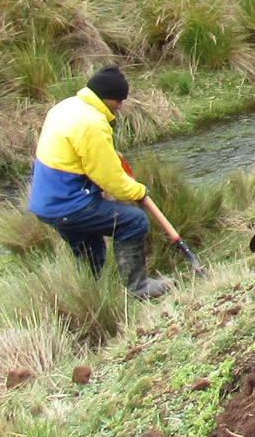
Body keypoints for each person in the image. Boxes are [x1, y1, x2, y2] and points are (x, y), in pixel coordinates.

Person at [27, 66, 171, 299]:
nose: (120, 106)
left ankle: (92, 296)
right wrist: (138, 191)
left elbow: (82, 156)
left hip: (46, 203)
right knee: (133, 222)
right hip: (69, 204)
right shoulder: (92, 124)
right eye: (119, 100)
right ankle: (139, 287)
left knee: (90, 250)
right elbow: (109, 179)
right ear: (106, 97)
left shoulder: (67, 106)